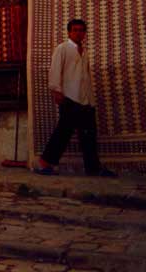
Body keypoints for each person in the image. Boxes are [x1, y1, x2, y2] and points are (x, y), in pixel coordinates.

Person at [35, 18, 116, 177]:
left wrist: (90, 99)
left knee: (89, 134)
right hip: (69, 97)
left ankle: (93, 168)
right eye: (75, 30)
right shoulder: (63, 48)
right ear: (69, 32)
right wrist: (57, 91)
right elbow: (55, 70)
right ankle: (45, 163)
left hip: (85, 99)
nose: (78, 33)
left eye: (81, 30)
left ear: (85, 33)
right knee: (64, 131)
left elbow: (85, 76)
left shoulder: (84, 52)